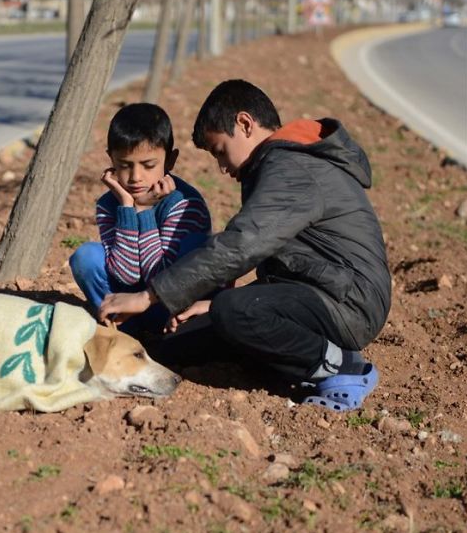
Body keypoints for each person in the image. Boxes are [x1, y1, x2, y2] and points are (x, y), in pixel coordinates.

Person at [98, 80, 392, 412]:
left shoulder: (292, 168)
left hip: (348, 304)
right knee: (175, 348)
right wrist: (212, 306)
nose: (223, 168)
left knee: (235, 312)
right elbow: (291, 268)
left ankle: (345, 368)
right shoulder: (273, 165)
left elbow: (241, 245)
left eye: (221, 151)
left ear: (245, 124)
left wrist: (148, 296)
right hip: (316, 294)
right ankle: (293, 360)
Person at [69, 102, 212, 335]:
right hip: (125, 307)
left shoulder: (184, 204)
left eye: (148, 165)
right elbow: (126, 274)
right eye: (125, 165)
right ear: (111, 161)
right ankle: (120, 331)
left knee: (195, 247)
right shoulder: (110, 204)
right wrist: (128, 207)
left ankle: (175, 336)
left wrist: (144, 211)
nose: (135, 177)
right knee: (87, 257)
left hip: (171, 307)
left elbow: (161, 278)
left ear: (170, 160)